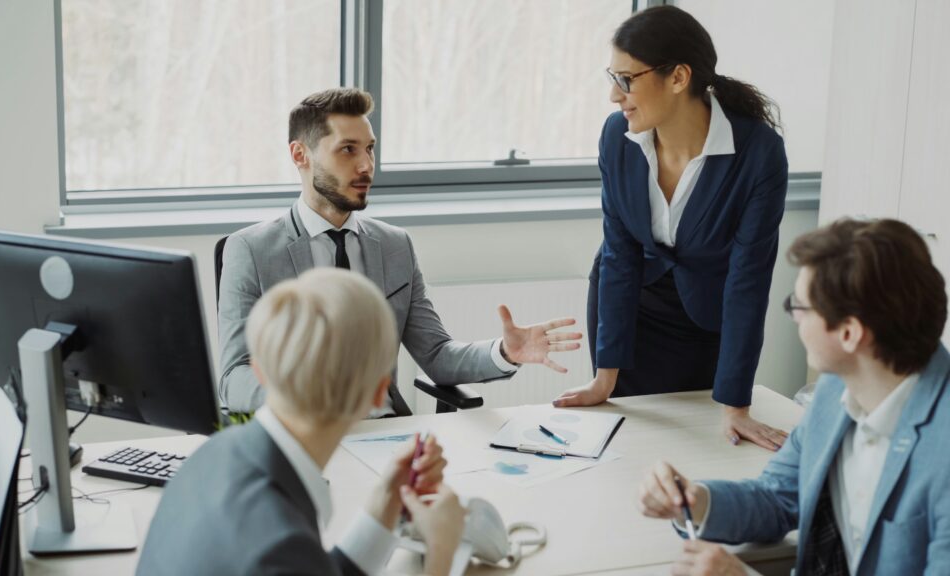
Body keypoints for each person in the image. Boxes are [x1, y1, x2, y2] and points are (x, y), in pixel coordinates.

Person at [219, 87, 583, 415]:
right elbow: (234, 378)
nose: (366, 166)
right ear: (301, 155)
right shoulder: (251, 250)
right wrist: (304, 397)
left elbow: (438, 356)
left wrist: (504, 353)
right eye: (348, 149)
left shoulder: (395, 246)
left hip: (384, 431)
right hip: (300, 432)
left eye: (370, 149)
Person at [637, 219, 950, 575]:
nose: (794, 319)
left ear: (849, 333)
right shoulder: (837, 389)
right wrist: (693, 501)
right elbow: (778, 497)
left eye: (800, 307)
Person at [554, 5, 790, 452]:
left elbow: (748, 280)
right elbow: (618, 252)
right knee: (625, 444)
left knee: (699, 447)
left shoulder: (758, 153)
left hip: (703, 316)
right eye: (612, 77)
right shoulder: (616, 137)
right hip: (631, 307)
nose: (614, 96)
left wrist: (737, 405)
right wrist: (604, 377)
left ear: (679, 78)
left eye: (626, 80)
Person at [139, 269, 467, 575]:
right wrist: (441, 551)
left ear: (259, 371)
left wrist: (386, 499)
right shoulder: (281, 547)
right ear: (379, 393)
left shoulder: (210, 455)